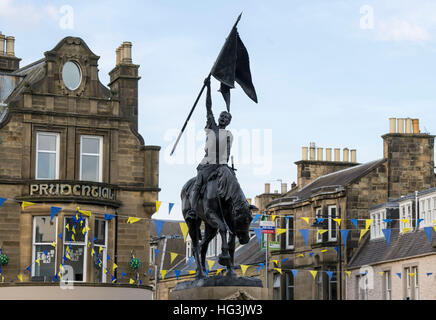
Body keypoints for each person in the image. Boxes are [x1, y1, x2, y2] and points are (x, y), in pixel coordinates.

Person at [186, 76, 233, 221]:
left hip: (221, 165)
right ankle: (193, 210)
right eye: (222, 116)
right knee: (198, 184)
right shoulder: (212, 127)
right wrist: (208, 87)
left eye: (226, 118)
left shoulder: (229, 134)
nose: (223, 118)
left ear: (229, 122)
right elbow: (208, 106)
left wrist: (226, 167)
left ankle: (237, 206)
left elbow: (227, 153)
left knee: (234, 182)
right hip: (207, 164)